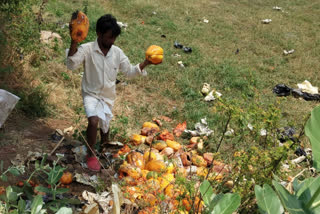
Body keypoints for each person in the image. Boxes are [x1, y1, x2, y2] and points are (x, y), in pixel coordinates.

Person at [66, 14, 152, 171]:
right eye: (108, 37)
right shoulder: (87, 49)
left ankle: (104, 150)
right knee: (93, 121)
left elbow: (129, 72)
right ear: (99, 33)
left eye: (114, 38)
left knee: (105, 127)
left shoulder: (117, 52)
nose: (111, 41)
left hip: (108, 96)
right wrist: (74, 41)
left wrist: (146, 62)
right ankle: (91, 154)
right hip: (91, 94)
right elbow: (71, 64)